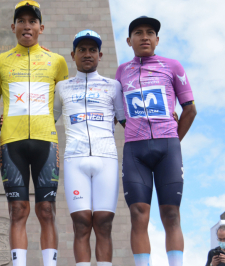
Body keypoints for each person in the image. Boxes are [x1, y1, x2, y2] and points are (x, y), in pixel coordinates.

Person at [0, 0, 69, 266]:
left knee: (47, 210)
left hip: (46, 142)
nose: (27, 26)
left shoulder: (57, 62)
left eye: (32, 21)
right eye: (21, 21)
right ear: (13, 27)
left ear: (41, 27)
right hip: (11, 144)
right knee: (17, 210)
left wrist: (45, 122)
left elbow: (60, 105)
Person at [115, 16, 197, 266]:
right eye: (138, 33)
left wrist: (173, 138)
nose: (145, 37)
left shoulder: (172, 66)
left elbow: (190, 109)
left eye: (150, 32)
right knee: (138, 214)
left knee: (171, 214)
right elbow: (121, 114)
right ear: (129, 41)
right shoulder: (121, 71)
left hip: (168, 147)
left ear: (157, 39)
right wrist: (135, 130)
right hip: (135, 151)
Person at [53, 30, 125, 266]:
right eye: (82, 50)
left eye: (92, 50)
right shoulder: (62, 87)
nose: (87, 54)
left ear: (100, 55)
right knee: (81, 223)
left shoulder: (113, 86)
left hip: (107, 158)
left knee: (104, 223)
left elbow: (127, 121)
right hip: (75, 159)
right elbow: (46, 119)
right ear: (73, 55)